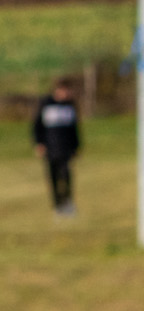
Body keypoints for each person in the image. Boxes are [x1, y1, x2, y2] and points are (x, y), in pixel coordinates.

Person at [31, 77, 82, 215]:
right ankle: (57, 206)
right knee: (53, 177)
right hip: (51, 148)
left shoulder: (70, 105)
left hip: (66, 148)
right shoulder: (46, 104)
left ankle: (68, 202)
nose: (67, 93)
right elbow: (37, 126)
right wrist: (39, 143)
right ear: (58, 90)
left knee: (66, 175)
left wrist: (76, 146)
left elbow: (74, 129)